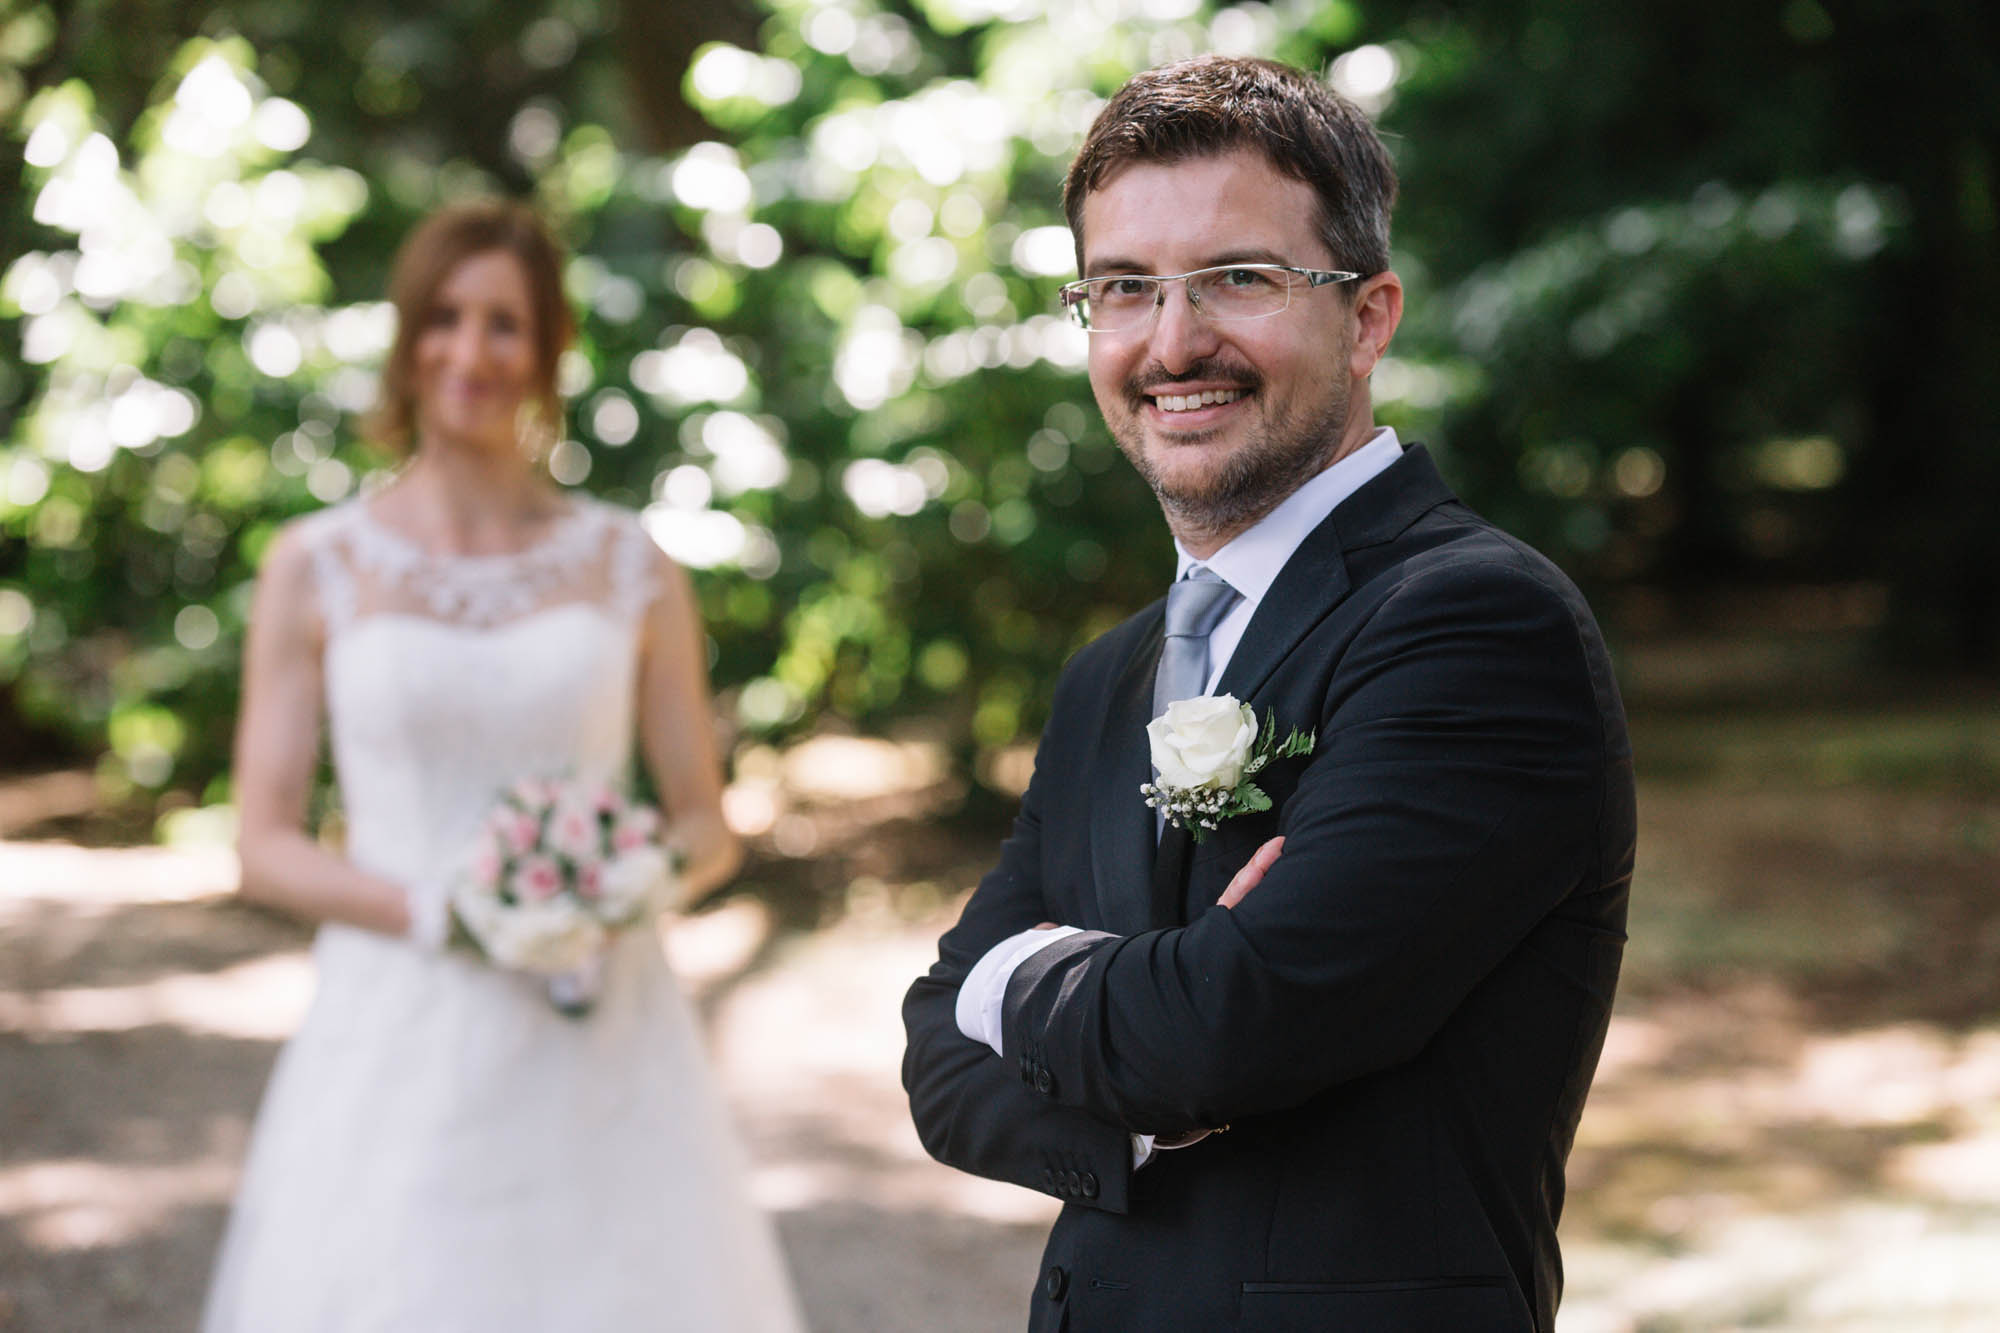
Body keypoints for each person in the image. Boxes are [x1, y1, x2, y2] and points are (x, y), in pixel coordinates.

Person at [902, 55, 1634, 1332]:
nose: (1172, 342)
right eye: (1123, 289)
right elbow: (936, 1058)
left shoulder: (1472, 624)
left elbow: (1222, 1030)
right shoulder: (1106, 676)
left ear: (1366, 317)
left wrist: (1035, 990)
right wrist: (1141, 1084)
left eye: (1237, 277)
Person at [204, 200, 804, 1332]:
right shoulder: (316, 565)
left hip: (601, 1018)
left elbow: (703, 823)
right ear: (405, 338)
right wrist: (449, 913)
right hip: (392, 1013)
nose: (468, 353)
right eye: (443, 319)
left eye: (502, 325)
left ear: (544, 352)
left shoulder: (631, 566)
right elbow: (264, 845)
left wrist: (618, 892)